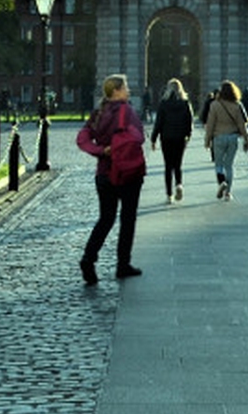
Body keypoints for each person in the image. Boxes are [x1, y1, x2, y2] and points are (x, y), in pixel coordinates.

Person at [76, 73, 147, 283]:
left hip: (104, 174)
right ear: (116, 91)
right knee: (127, 219)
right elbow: (138, 136)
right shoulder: (127, 110)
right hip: (128, 172)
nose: (128, 90)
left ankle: (88, 259)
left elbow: (82, 138)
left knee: (105, 219)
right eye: (125, 87)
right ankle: (122, 265)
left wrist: (101, 150)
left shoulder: (98, 112)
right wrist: (115, 148)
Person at [204, 80, 248, 201]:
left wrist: (207, 140)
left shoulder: (215, 105)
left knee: (219, 164)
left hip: (218, 137)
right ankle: (228, 193)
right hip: (232, 137)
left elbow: (210, 124)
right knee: (229, 166)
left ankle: (221, 182)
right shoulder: (237, 105)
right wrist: (247, 139)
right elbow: (242, 125)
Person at [151, 78, 193, 202]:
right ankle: (179, 184)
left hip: (166, 137)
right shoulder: (185, 103)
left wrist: (153, 139)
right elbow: (189, 121)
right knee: (178, 164)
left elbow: (159, 123)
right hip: (180, 138)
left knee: (168, 166)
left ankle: (169, 195)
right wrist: (188, 135)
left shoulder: (164, 103)